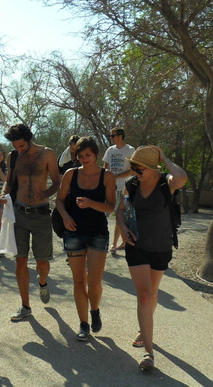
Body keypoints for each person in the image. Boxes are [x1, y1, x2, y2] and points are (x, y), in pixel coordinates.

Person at [118, 145, 187, 371]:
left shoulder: (166, 183)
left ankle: (143, 328)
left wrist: (164, 157)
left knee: (153, 292)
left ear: (150, 167)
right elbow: (121, 209)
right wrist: (121, 228)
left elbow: (182, 178)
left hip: (161, 247)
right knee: (145, 296)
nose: (134, 172)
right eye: (133, 167)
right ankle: (149, 352)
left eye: (138, 168)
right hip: (136, 245)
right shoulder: (132, 185)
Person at [55, 137, 116, 341]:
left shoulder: (107, 176)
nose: (84, 159)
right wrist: (65, 216)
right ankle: (83, 324)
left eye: (87, 155)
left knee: (94, 281)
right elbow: (60, 200)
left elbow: (110, 206)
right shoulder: (71, 174)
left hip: (97, 232)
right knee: (78, 280)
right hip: (73, 232)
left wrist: (90, 203)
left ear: (96, 154)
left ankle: (95, 310)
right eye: (80, 156)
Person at [0, 123, 61, 321]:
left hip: (41, 213)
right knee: (20, 261)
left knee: (42, 262)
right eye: (16, 147)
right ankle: (25, 306)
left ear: (29, 139)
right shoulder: (13, 156)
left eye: (22, 146)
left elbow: (57, 182)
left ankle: (43, 282)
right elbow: (9, 180)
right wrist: (3, 192)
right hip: (19, 213)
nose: (19, 150)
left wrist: (45, 193)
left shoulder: (47, 153)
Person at [102, 128, 135, 253]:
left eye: (113, 136)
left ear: (120, 136)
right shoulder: (110, 150)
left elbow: (132, 170)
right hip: (111, 188)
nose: (111, 138)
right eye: (110, 136)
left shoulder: (130, 150)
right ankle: (122, 242)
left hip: (125, 188)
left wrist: (116, 176)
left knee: (119, 216)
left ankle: (114, 244)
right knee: (107, 214)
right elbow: (105, 168)